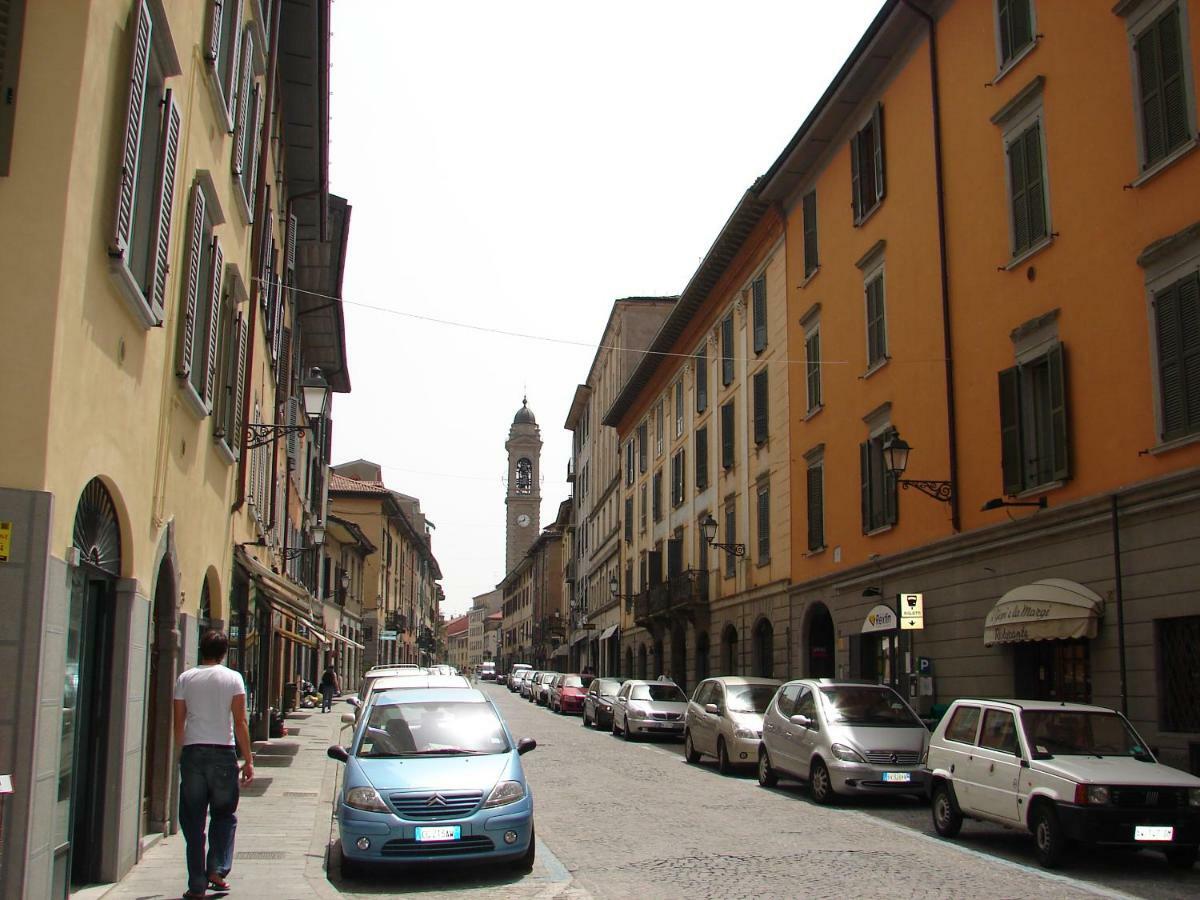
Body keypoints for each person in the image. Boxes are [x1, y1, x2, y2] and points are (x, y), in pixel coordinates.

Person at [174, 629, 254, 899]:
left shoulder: (185, 678)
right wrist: (248, 759)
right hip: (223, 752)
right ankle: (216, 869)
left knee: (193, 820)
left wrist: (180, 753)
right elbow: (240, 721)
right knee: (224, 814)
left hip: (193, 751)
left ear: (201, 649)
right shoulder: (233, 679)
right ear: (224, 652)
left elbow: (179, 721)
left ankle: (196, 884)